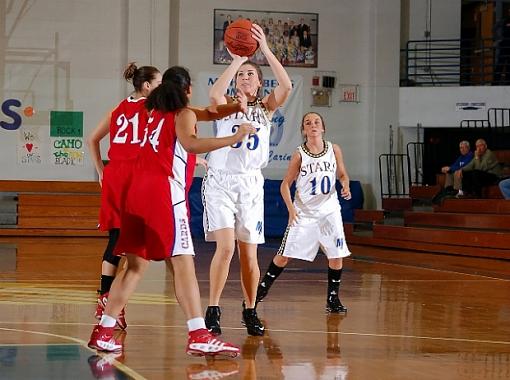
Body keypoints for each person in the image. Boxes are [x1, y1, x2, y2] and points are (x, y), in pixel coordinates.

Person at [88, 66, 255, 356]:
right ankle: (199, 333)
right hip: (164, 195)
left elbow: (207, 113)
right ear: (187, 90)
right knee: (183, 264)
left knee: (135, 268)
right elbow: (191, 143)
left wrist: (235, 107)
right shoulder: (182, 114)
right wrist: (234, 137)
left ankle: (104, 330)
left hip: (135, 194)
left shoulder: (151, 111)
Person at [203, 23, 292, 337]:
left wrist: (264, 49)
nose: (245, 77)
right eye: (242, 74)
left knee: (249, 254)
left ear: (259, 82)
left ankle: (250, 309)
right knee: (225, 248)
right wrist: (238, 59)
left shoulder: (266, 109)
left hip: (251, 184)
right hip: (221, 182)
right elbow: (214, 92)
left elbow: (287, 86)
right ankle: (213, 309)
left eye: (251, 74)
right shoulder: (226, 105)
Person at [87, 62, 162, 330]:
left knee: (118, 238)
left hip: (114, 175)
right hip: (133, 177)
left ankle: (107, 300)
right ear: (147, 86)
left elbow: (92, 139)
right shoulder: (152, 109)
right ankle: (107, 301)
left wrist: (101, 172)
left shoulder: (117, 108)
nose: (162, 87)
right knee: (126, 244)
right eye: (159, 83)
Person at [255, 112, 351, 314]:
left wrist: (345, 184)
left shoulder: (334, 149)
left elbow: (342, 173)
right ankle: (259, 293)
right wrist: (291, 210)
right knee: (284, 256)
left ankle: (332, 298)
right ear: (304, 130)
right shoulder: (300, 154)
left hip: (329, 210)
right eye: (308, 123)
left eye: (317, 121)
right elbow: (285, 185)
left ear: (323, 127)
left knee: (336, 255)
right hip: (304, 212)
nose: (313, 125)